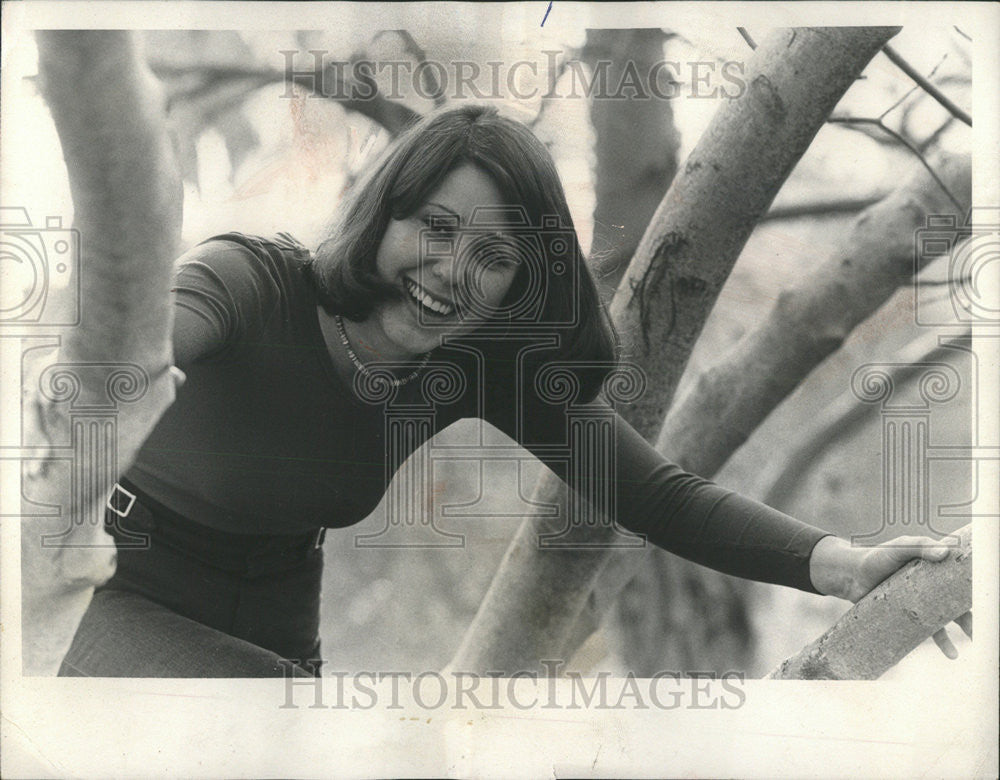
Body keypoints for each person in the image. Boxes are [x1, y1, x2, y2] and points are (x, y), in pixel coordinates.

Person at [58, 104, 966, 678]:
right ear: (385, 215)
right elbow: (126, 348)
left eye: (493, 257)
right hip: (121, 585)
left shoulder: (476, 357)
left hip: (277, 619)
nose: (454, 274)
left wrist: (846, 566)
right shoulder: (249, 284)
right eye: (437, 228)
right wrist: (107, 380)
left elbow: (655, 493)